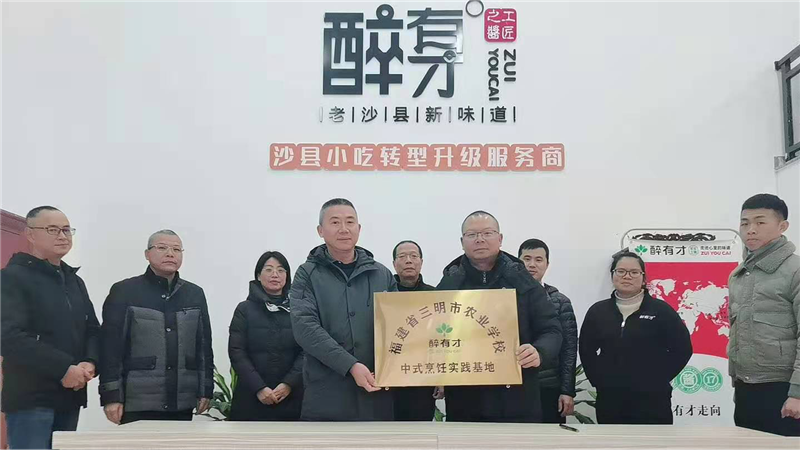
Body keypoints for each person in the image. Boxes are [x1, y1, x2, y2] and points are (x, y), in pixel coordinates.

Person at [437, 211, 562, 423]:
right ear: (462, 242)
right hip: (465, 399)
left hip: (516, 398)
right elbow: (432, 336)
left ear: (500, 238)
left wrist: (539, 351)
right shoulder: (450, 283)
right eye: (472, 234)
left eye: (487, 233)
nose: (479, 239)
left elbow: (552, 330)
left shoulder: (523, 280)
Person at [1, 206, 99, 449]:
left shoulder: (75, 281)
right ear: (30, 234)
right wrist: (63, 368)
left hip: (70, 396)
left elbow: (92, 329)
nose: (62, 236)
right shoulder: (11, 278)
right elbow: (8, 336)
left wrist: (90, 361)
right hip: (31, 398)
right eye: (53, 229)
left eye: (66, 230)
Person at [290, 198, 397, 421]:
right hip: (326, 394)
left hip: (375, 392)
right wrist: (350, 365)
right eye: (335, 222)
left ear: (359, 228)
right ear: (320, 231)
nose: (344, 229)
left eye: (350, 222)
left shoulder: (381, 274)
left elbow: (399, 326)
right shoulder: (307, 274)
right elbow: (305, 328)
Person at [99, 230, 213, 425]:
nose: (170, 253)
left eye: (176, 249)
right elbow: (111, 348)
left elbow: (203, 347)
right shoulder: (124, 291)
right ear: (147, 254)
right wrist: (111, 396)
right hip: (138, 401)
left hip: (181, 401)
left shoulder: (194, 293)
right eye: (162, 248)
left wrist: (205, 389)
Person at [579, 251, 692, 424]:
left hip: (653, 399)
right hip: (610, 398)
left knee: (653, 439)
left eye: (634, 272)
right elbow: (586, 349)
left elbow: (683, 349)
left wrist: (658, 378)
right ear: (612, 275)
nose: (627, 276)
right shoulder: (598, 311)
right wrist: (599, 380)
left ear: (643, 277)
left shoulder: (661, 310)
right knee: (613, 439)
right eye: (621, 271)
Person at [728, 193, 800, 436]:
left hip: (785, 389)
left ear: (782, 226)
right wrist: (737, 382)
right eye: (745, 223)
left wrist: (797, 394)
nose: (750, 229)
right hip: (747, 388)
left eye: (760, 222)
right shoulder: (738, 275)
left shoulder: (795, 270)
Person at [228, 251, 304, 421]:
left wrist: (288, 384)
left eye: (281, 270)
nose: (275, 274)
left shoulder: (299, 310)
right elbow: (237, 351)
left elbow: (306, 351)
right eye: (268, 269)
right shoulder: (244, 309)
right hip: (251, 397)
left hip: (292, 397)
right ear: (258, 275)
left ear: (287, 276)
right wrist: (259, 388)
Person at [518, 238, 577, 424]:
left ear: (547, 264)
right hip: (514, 386)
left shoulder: (560, 301)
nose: (532, 265)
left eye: (538, 259)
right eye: (526, 259)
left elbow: (569, 349)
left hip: (548, 385)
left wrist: (567, 391)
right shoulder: (505, 297)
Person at [390, 240, 439, 421]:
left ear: (421, 262)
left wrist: (442, 379)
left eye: (413, 256)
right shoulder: (383, 296)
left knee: (420, 429)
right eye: (402, 256)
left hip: (424, 379)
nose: (408, 260)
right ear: (394, 264)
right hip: (390, 378)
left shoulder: (435, 296)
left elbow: (443, 340)